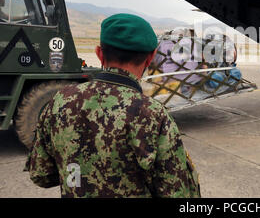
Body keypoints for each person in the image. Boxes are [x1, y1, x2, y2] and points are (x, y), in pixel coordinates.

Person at [26, 13, 201, 198]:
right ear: (151, 58)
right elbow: (179, 193)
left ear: (99, 54)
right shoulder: (153, 114)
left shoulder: (60, 101)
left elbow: (41, 175)